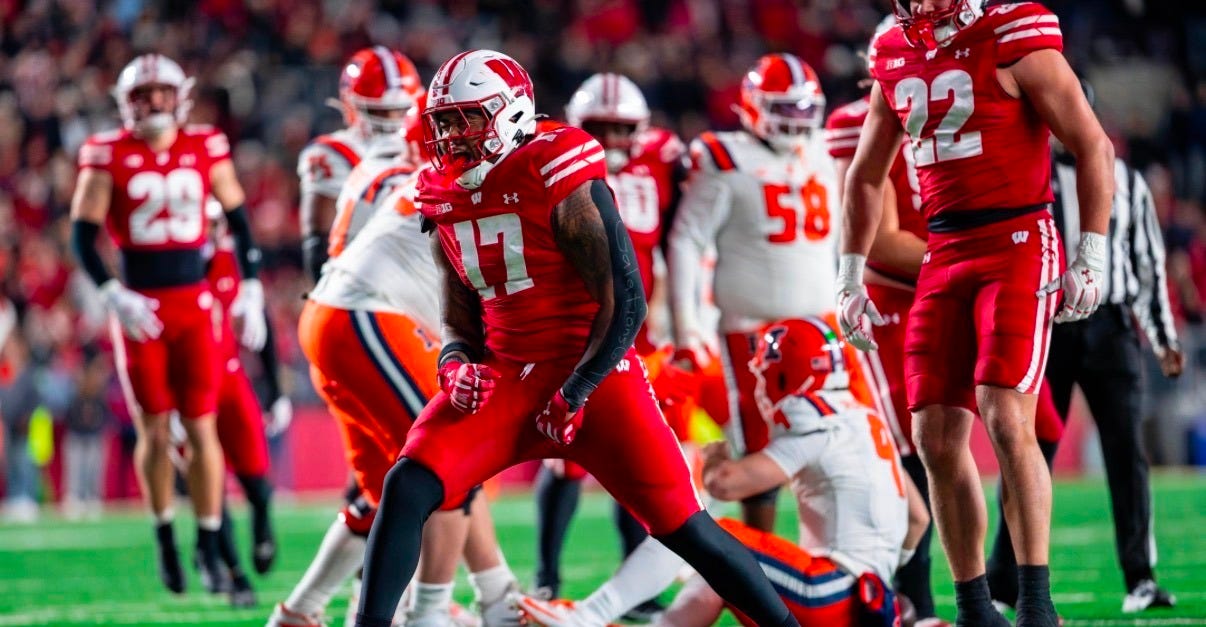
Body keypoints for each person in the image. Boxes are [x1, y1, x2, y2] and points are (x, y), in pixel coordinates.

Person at [352, 49, 798, 627]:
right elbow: (459, 316)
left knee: (685, 529)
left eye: (467, 118)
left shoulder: (554, 161)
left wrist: (578, 388)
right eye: (444, 121)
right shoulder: (441, 190)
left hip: (596, 369)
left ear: (510, 114)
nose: (452, 135)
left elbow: (627, 300)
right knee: (408, 483)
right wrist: (456, 362)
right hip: (509, 374)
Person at [837, 2, 1115, 626]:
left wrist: (1091, 252)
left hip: (1017, 238)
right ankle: (972, 608)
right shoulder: (893, 52)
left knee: (1003, 412)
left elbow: (1093, 145)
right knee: (932, 434)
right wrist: (849, 274)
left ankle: (1036, 602)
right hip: (944, 249)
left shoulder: (1014, 30)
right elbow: (864, 176)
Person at [273, 47, 523, 627]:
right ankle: (436, 609)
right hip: (367, 317)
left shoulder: (392, 169)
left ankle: (301, 611)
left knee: (388, 490)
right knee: (449, 464)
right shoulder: (451, 178)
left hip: (344, 319)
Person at [517, 316, 921, 627]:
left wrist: (712, 454)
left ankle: (592, 613)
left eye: (765, 373)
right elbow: (917, 519)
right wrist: (879, 574)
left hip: (832, 594)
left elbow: (724, 486)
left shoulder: (815, 426)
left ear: (787, 374)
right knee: (718, 572)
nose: (761, 384)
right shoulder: (863, 422)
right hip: (861, 596)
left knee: (710, 536)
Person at [70, 53, 267, 597]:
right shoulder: (105, 152)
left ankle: (207, 539)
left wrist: (250, 284)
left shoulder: (207, 144)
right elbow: (82, 237)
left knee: (202, 426)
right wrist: (111, 293)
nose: (154, 103)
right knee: (155, 429)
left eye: (162, 93)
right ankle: (163, 534)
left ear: (180, 95)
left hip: (195, 303)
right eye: (143, 95)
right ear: (125, 102)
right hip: (141, 308)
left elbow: (240, 219)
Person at [986, 80, 1181, 614]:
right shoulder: (1031, 175)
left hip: (1112, 327)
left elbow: (1148, 264)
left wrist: (1162, 337)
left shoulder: (1128, 181)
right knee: (1028, 448)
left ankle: (1140, 577)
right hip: (1049, 325)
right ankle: (1003, 577)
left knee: (1126, 453)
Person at [669, 52, 855, 533]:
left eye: (801, 109)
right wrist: (687, 325)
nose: (794, 121)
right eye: (783, 109)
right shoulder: (723, 156)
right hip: (750, 330)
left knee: (832, 444)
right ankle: (758, 558)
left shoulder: (825, 147)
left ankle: (831, 555)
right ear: (752, 106)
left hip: (822, 324)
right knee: (757, 445)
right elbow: (687, 240)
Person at [532, 72, 688, 615]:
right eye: (601, 128)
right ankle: (547, 577)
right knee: (563, 461)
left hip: (640, 332)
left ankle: (635, 578)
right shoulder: (558, 165)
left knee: (636, 452)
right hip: (578, 328)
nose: (613, 139)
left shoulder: (666, 161)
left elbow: (679, 236)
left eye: (623, 128)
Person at [299, 46, 421, 286]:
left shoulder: (428, 143)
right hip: (363, 283)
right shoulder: (335, 153)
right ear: (350, 105)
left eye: (400, 110)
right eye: (380, 112)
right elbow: (319, 247)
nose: (392, 122)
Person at [203, 199, 278, 575]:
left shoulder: (235, 264)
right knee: (210, 489)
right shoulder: (167, 268)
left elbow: (262, 326)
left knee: (257, 480)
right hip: (191, 392)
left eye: (214, 222)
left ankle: (262, 531)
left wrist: (276, 390)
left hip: (231, 381)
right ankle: (230, 570)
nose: (209, 230)